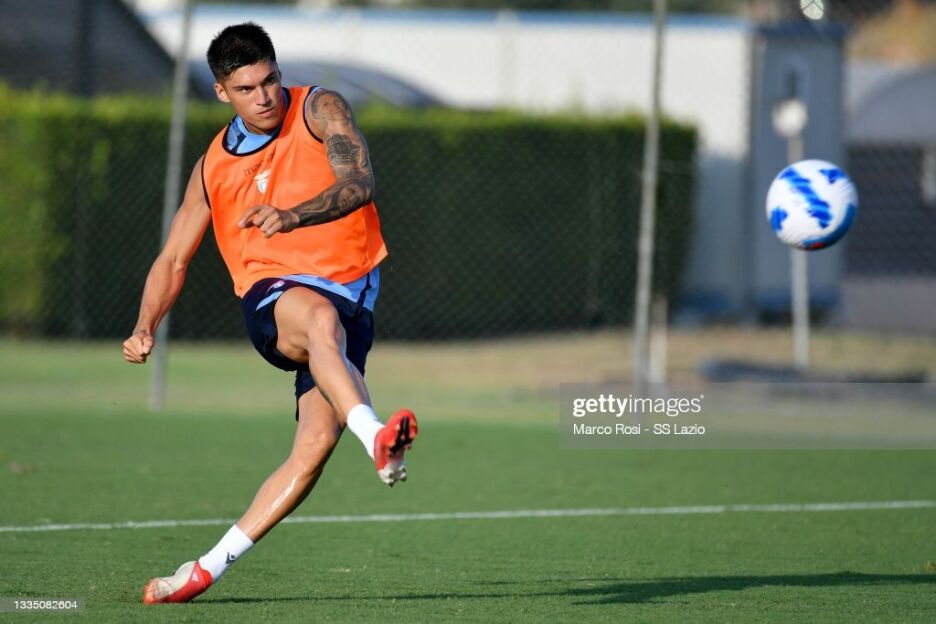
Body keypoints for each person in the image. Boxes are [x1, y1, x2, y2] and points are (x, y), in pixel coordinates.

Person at [122, 22, 418, 605]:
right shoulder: (212, 167)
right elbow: (173, 258)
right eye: (247, 88)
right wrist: (143, 325)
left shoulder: (319, 109)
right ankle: (377, 437)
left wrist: (292, 214)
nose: (264, 97)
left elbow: (359, 182)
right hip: (274, 295)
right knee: (318, 320)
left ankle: (203, 569)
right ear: (221, 92)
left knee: (314, 445)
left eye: (270, 80)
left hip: (351, 299)